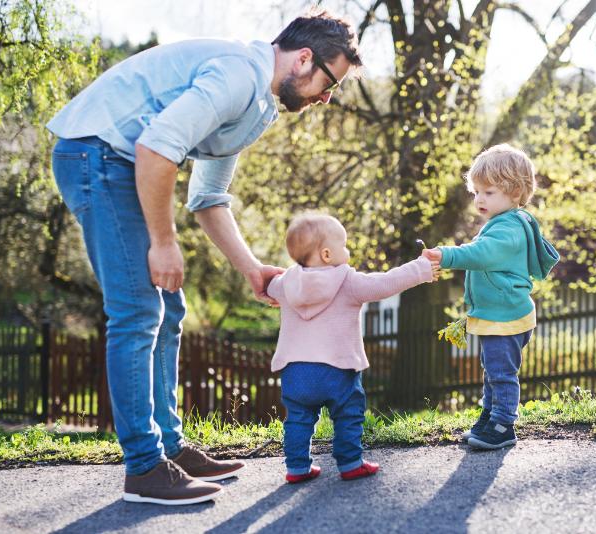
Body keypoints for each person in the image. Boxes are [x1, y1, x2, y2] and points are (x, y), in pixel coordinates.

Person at [46, 11, 362, 505]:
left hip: (120, 160)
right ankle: (145, 467)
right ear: (304, 58)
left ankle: (171, 447)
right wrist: (163, 241)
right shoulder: (240, 74)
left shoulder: (260, 104)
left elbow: (209, 197)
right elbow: (156, 147)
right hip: (97, 154)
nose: (327, 97)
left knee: (168, 309)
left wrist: (251, 268)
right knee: (137, 310)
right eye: (329, 82)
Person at [267, 213, 439, 483]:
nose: (347, 250)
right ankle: (350, 463)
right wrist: (420, 269)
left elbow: (268, 285)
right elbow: (385, 283)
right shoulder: (348, 281)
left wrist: (271, 279)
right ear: (326, 254)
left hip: (295, 369)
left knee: (298, 419)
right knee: (348, 415)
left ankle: (297, 468)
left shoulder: (285, 283)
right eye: (344, 245)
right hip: (338, 368)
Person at [423, 144, 559, 450]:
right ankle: (489, 416)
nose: (479, 199)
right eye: (476, 192)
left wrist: (446, 255)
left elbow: (481, 254)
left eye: (489, 192)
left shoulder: (508, 229)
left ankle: (503, 424)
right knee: (492, 371)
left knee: (501, 373)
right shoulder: (501, 223)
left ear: (515, 192)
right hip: (497, 314)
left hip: (506, 317)